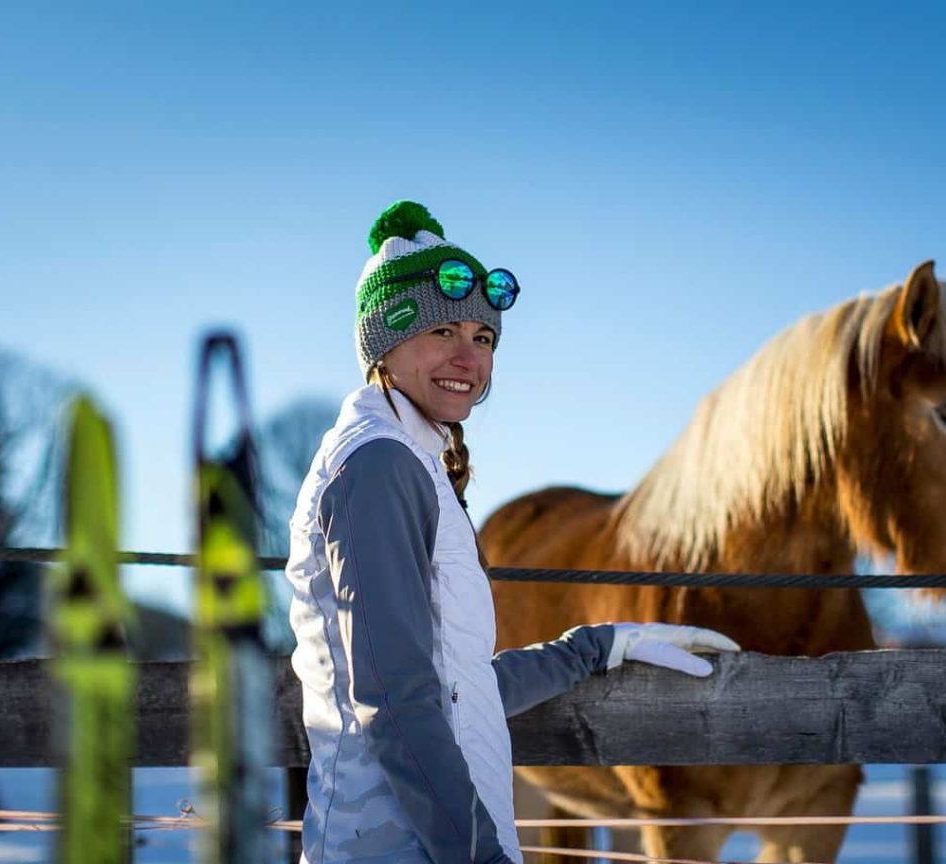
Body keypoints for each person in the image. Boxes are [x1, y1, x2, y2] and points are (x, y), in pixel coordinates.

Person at [284, 201, 740, 864]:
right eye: (444, 333)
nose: (469, 357)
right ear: (385, 342)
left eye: (484, 338)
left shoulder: (408, 459)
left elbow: (452, 691)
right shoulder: (378, 465)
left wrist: (591, 649)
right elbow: (393, 700)